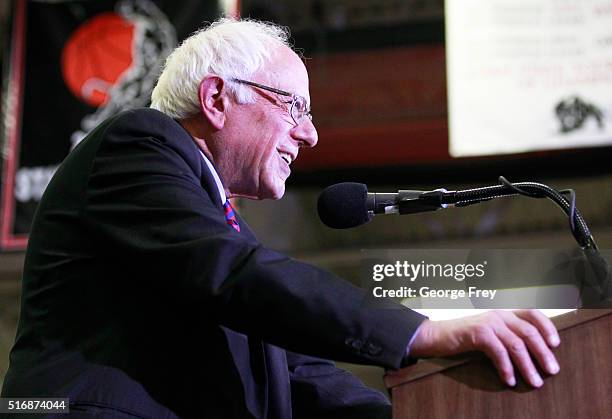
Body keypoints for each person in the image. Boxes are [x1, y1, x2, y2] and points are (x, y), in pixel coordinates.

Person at [2, 18, 561, 419]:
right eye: (294, 106)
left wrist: (425, 408)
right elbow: (235, 274)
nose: (311, 134)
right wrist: (423, 331)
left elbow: (298, 373)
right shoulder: (136, 146)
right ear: (217, 98)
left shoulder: (218, 225)